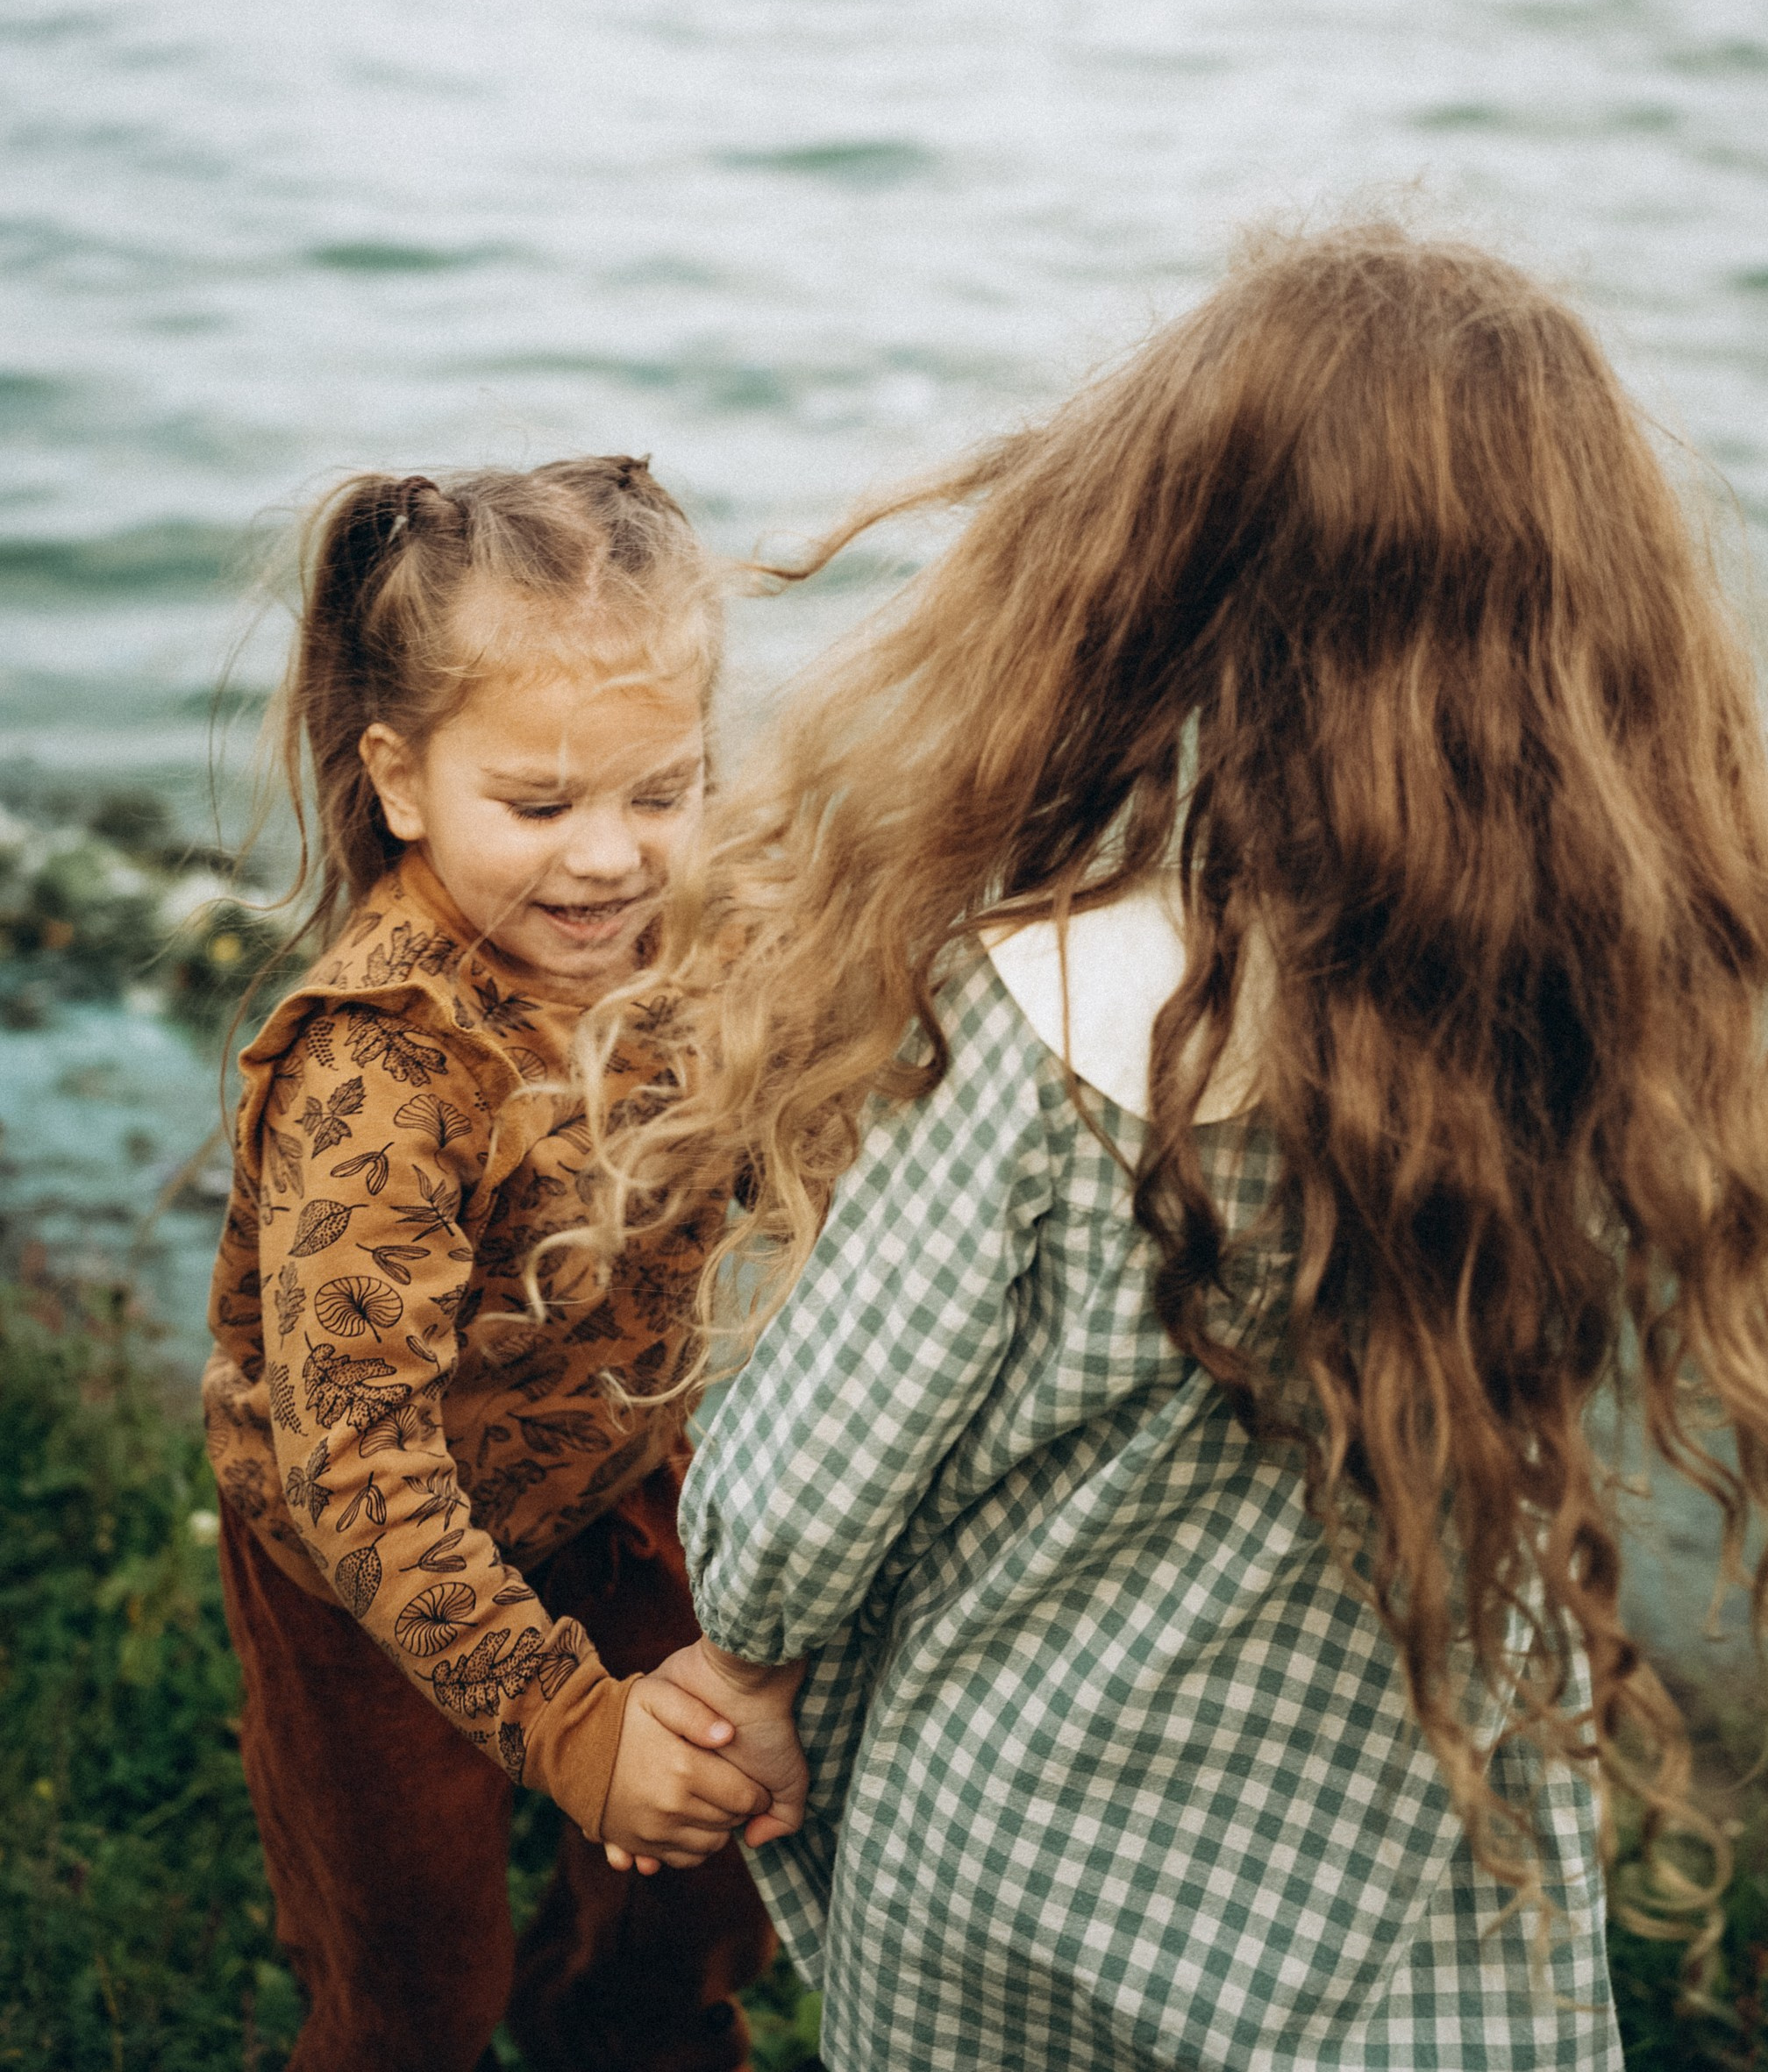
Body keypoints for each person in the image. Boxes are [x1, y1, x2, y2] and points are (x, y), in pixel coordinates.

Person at [589, 227, 1768, 2070]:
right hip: (1391, 1885)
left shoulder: (1058, 1003)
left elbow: (802, 1503)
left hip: (1013, 1859)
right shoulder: (1581, 1018)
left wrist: (737, 1659)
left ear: (1149, 573)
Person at [201, 459, 781, 2072]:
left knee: (712, 1862)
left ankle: (626, 2030)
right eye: (541, 808)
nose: (609, 860)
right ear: (400, 778)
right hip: (361, 1563)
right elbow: (360, 1467)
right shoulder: (384, 1073)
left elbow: (788, 1136)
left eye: (662, 793)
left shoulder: (691, 947)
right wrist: (572, 1730)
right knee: (415, 1981)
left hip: (600, 1477)